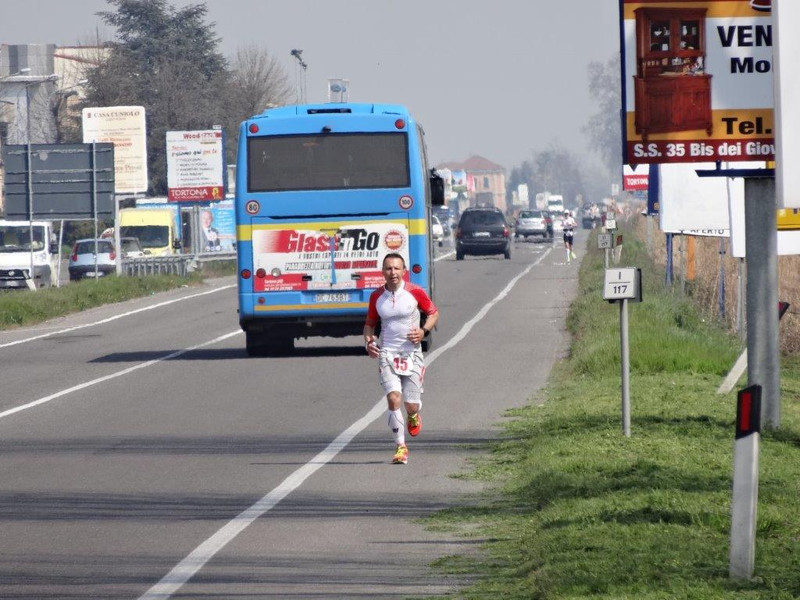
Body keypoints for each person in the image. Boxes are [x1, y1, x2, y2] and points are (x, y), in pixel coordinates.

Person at [363, 253, 439, 465]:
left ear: (403, 271)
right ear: (383, 272)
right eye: (388, 268)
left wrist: (423, 331)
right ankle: (400, 447)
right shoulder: (377, 296)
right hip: (387, 353)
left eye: (396, 268)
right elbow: (369, 324)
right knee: (393, 398)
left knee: (411, 404)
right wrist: (369, 342)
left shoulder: (415, 292)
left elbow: (433, 313)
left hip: (411, 353)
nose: (392, 273)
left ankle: (413, 415)